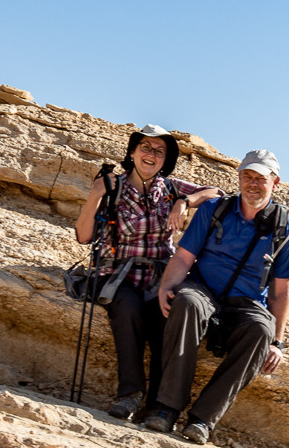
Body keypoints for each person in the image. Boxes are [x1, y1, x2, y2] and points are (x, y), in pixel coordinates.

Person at [145, 149, 289, 443]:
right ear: (239, 177)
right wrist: (167, 287)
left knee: (261, 331)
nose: (252, 184)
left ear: (275, 183)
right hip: (204, 289)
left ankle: (203, 418)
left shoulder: (285, 227)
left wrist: (278, 342)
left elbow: (281, 291)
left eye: (260, 179)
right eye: (247, 176)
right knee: (186, 302)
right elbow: (184, 257)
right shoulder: (214, 209)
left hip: (246, 303)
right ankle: (166, 408)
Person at [74, 125, 222, 421]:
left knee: (163, 322)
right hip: (119, 273)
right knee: (126, 311)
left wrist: (184, 201)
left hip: (160, 275)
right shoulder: (112, 185)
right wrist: (94, 195)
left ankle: (157, 405)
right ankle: (130, 394)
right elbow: (83, 236)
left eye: (159, 151)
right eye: (145, 147)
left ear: (165, 160)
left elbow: (217, 192)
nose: (151, 154)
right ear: (132, 152)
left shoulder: (170, 188)